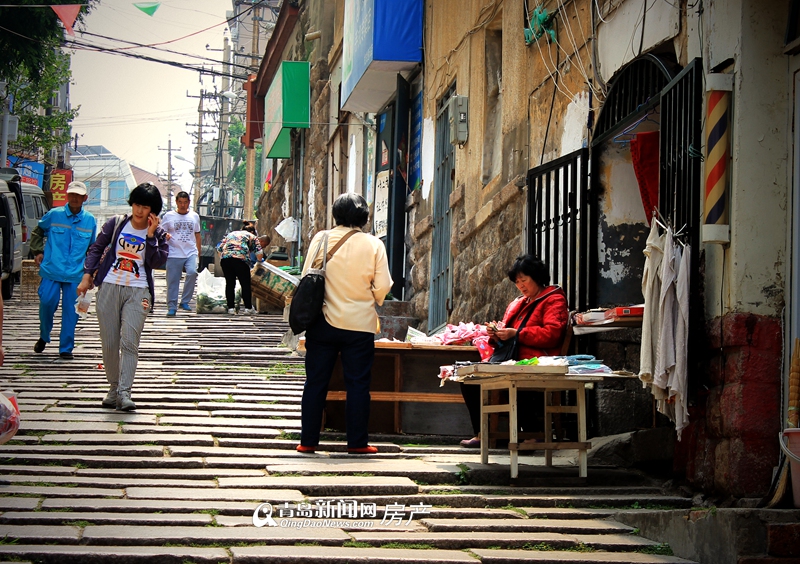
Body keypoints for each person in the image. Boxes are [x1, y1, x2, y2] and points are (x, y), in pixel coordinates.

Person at [297, 193, 392, 455]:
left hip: (323, 322)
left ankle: (308, 441)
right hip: (359, 324)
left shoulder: (321, 238)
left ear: (336, 214)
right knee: (358, 384)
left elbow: (308, 276)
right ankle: (357, 443)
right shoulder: (374, 245)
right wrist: (369, 296)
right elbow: (383, 286)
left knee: (315, 382)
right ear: (364, 216)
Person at [459, 254, 569, 448]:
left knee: (518, 376)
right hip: (511, 358)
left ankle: (533, 433)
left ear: (537, 277)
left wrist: (516, 334)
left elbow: (552, 334)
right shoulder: (519, 303)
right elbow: (508, 336)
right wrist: (497, 335)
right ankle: (483, 433)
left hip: (536, 360)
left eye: (524, 280)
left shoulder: (553, 299)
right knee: (469, 380)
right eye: (517, 282)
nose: (521, 286)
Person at [78, 183, 168, 411]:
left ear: (153, 210)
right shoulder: (116, 223)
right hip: (109, 286)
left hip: (138, 291)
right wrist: (87, 275)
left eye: (145, 206)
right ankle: (113, 388)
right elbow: (96, 249)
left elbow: (158, 262)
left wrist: (149, 237)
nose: (139, 210)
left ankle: (125, 392)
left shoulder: (159, 233)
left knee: (130, 341)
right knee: (109, 343)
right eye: (137, 204)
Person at [31, 181, 97, 360]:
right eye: (72, 195)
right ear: (67, 196)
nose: (74, 198)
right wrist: (37, 251)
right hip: (52, 269)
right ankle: (44, 336)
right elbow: (37, 231)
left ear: (85, 198)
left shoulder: (90, 220)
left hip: (76, 274)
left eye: (78, 195)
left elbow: (92, 248)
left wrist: (90, 274)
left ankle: (66, 348)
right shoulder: (54, 214)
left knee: (73, 310)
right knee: (46, 303)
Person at [162, 191, 201, 316]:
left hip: (190, 252)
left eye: (185, 202)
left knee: (192, 272)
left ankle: (185, 301)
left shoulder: (194, 216)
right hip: (174, 252)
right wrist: (165, 236)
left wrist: (198, 253)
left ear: (189, 202)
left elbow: (197, 234)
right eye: (180, 202)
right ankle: (172, 306)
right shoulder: (168, 216)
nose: (182, 205)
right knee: (173, 280)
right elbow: (161, 232)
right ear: (176, 202)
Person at [216, 222, 264, 314]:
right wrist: (259, 262)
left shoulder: (231, 234)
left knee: (230, 284)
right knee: (245, 284)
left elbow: (219, 249)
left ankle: (231, 308)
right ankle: (248, 308)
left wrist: (224, 257)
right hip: (241, 260)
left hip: (226, 260)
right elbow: (259, 253)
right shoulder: (252, 236)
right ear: (253, 231)